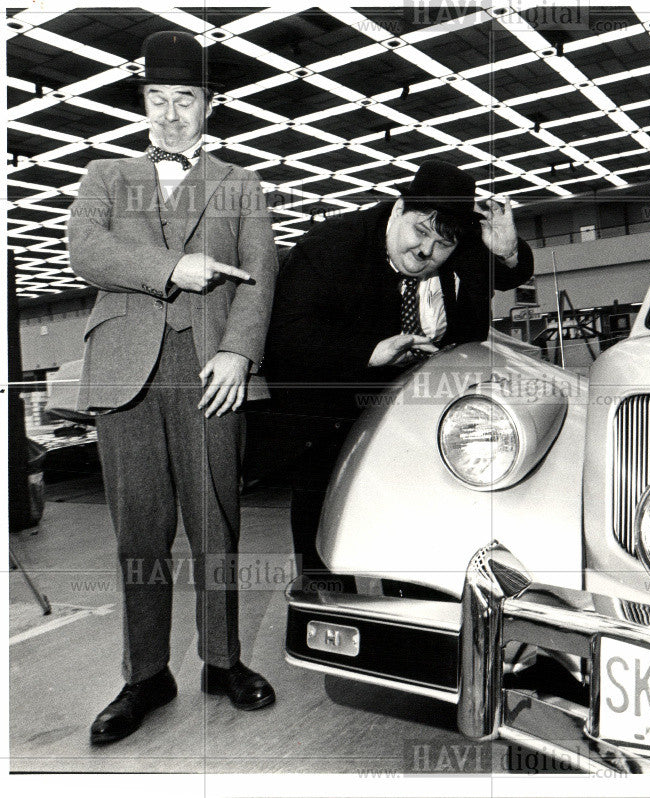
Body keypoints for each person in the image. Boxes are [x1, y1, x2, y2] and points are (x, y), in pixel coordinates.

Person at [68, 30, 278, 745]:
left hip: (209, 372)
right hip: (125, 371)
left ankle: (222, 661)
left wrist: (238, 353)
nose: (169, 115)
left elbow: (261, 273)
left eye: (183, 100)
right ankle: (145, 675)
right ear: (145, 104)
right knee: (139, 533)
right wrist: (174, 268)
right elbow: (86, 253)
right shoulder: (104, 174)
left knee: (215, 522)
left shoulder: (241, 183)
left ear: (208, 103)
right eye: (157, 100)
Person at [265, 159, 534, 581]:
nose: (425, 251)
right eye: (419, 232)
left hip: (425, 426)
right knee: (326, 554)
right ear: (396, 211)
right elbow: (285, 341)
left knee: (422, 545)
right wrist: (368, 354)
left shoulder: (461, 247)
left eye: (441, 245)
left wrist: (509, 251)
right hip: (334, 423)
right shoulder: (329, 248)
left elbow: (511, 269)